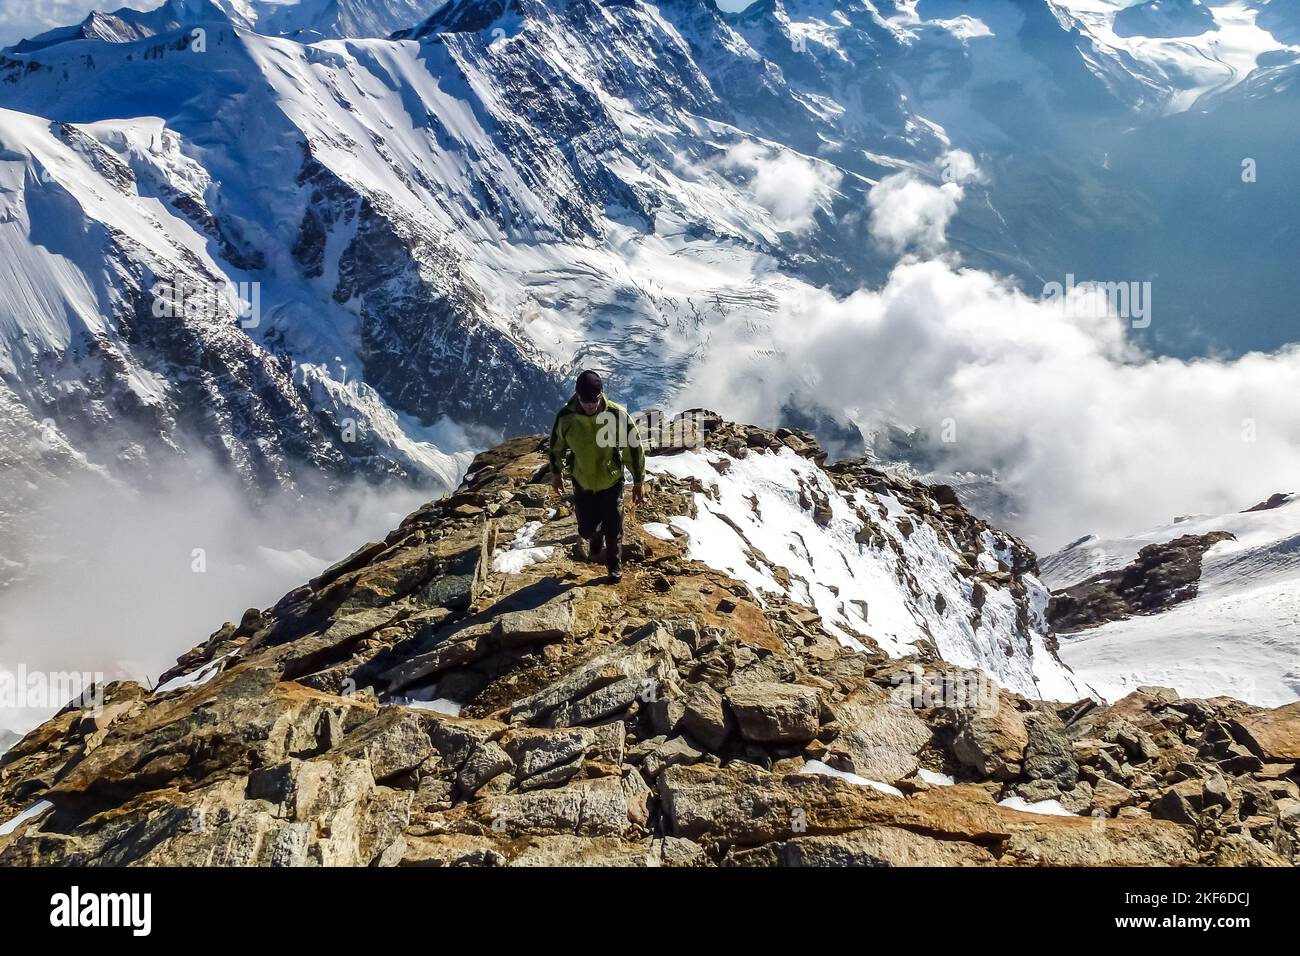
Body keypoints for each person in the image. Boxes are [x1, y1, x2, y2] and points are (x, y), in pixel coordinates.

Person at [549, 370, 645, 582]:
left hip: (610, 480)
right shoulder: (566, 418)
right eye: (585, 401)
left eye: (594, 401)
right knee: (585, 530)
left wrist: (638, 481)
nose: (590, 405)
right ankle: (595, 534)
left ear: (601, 395)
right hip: (582, 481)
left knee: (614, 528)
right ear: (578, 397)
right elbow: (557, 447)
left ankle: (614, 567)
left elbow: (633, 446)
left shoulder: (616, 415)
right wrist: (556, 474)